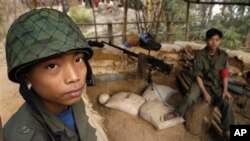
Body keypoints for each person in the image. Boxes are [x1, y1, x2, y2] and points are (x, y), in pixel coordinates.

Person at [3, 8, 97, 141]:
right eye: (52, 66)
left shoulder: (69, 99)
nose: (74, 77)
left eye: (78, 60)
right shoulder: (26, 136)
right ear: (26, 75)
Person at [163, 28, 234, 138]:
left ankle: (228, 130)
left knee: (227, 102)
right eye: (211, 39)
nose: (214, 42)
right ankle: (176, 113)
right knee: (190, 98)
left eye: (217, 40)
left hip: (215, 85)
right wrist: (204, 92)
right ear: (206, 40)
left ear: (220, 41)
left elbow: (225, 74)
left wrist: (225, 90)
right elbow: (197, 75)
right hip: (200, 83)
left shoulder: (223, 55)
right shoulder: (200, 54)